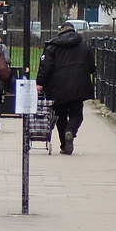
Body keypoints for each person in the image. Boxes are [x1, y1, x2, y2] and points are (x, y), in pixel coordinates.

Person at [37, 21, 96, 155]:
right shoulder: (84, 45)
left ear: (60, 31)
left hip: (58, 87)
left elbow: (45, 68)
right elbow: (92, 67)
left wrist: (40, 83)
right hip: (78, 86)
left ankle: (64, 144)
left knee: (60, 116)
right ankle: (70, 131)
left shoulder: (52, 46)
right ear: (73, 30)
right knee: (77, 115)